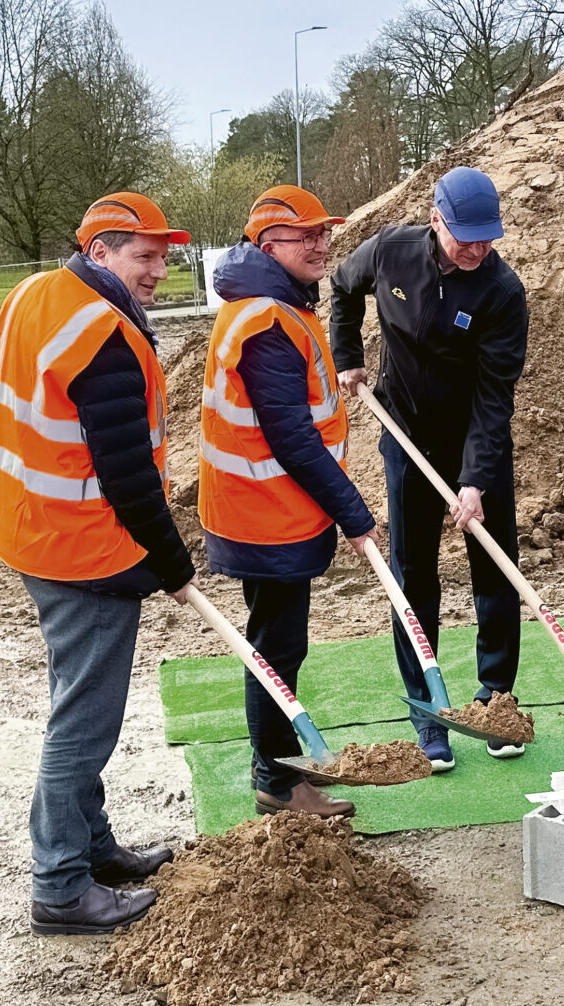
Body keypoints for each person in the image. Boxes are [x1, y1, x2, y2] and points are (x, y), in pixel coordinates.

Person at [0, 192, 193, 935]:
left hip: (32, 533)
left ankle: (93, 850)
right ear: (100, 253)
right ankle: (60, 886)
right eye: (143, 256)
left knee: (76, 702)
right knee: (84, 722)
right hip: (84, 551)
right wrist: (174, 564)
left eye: (163, 255)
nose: (158, 269)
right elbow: (129, 480)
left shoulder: (38, 291)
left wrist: (38, 431)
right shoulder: (102, 335)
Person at [330, 167, 529, 773]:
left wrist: (474, 479)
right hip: (403, 431)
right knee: (413, 570)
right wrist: (348, 357)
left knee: (494, 567)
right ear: (436, 220)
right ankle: (426, 710)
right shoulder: (391, 251)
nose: (477, 249)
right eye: (464, 237)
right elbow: (341, 286)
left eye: (486, 238)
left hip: (475, 438)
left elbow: (496, 395)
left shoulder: (501, 291)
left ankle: (495, 699)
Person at [202, 185, 375, 818]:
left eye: (324, 234)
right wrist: (353, 513)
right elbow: (293, 438)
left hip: (276, 508)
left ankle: (277, 771)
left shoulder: (280, 308)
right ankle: (275, 780)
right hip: (263, 513)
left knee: (278, 641)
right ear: (266, 245)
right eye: (305, 236)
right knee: (275, 646)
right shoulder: (266, 321)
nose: (321, 246)